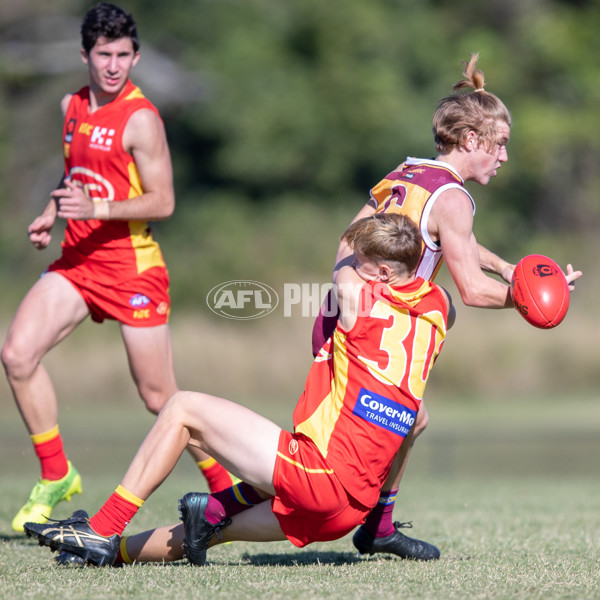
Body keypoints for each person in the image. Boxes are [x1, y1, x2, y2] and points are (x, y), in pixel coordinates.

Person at [24, 212, 454, 567]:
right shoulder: (438, 306)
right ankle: (107, 553)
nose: (353, 267)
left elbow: (343, 252)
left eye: (365, 264)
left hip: (318, 477)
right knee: (208, 528)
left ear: (381, 273)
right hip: (349, 511)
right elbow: (448, 300)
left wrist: (379, 202)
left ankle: (101, 528)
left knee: (181, 408)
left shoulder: (360, 296)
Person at [311, 52, 582, 561]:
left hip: (344, 317)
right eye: (499, 145)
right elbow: (472, 291)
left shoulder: (410, 173)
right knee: (328, 462)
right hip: (367, 332)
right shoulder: (454, 199)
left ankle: (379, 527)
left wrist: (509, 268)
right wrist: (533, 301)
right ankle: (217, 512)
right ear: (471, 141)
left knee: (408, 421)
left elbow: (375, 236)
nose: (503, 157)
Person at [2, 2, 232, 534]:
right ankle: (56, 473)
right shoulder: (72, 106)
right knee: (16, 355)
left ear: (135, 56)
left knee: (159, 397)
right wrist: (51, 210)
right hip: (79, 263)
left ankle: (227, 488)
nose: (113, 65)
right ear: (84, 54)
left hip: (132, 269)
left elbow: (164, 201)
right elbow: (78, 178)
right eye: (103, 54)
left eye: (123, 55)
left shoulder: (141, 119)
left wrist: (98, 210)